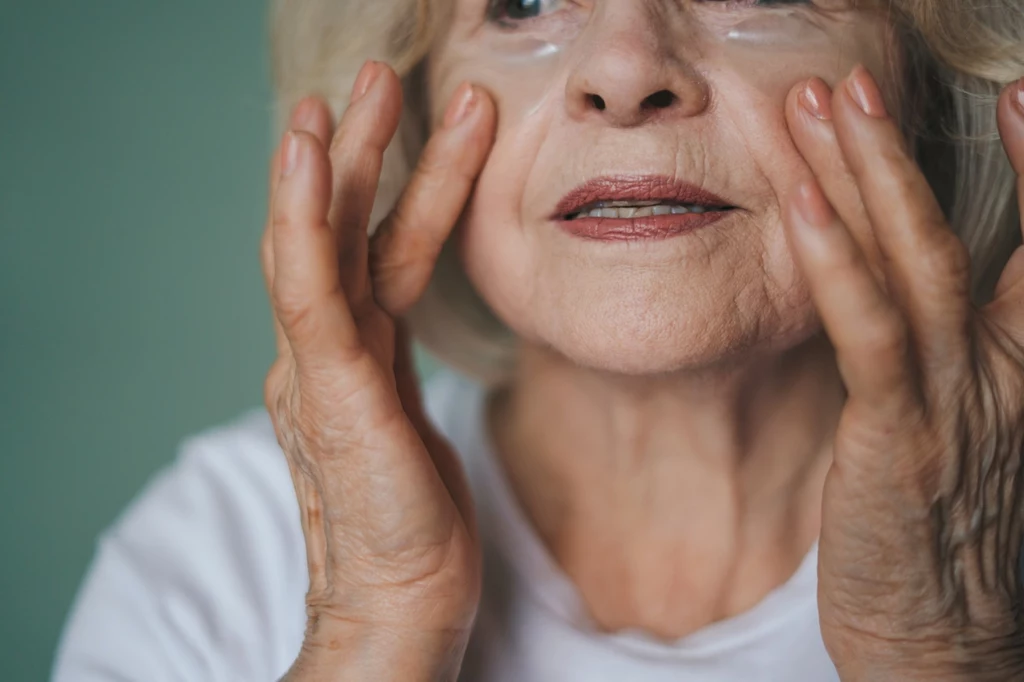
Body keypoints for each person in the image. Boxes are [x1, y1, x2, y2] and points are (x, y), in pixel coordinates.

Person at [53, 0, 1024, 680]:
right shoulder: (210, 555)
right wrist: (371, 628)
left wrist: (940, 657)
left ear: (928, 89)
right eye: (524, 1)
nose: (623, 70)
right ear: (413, 105)